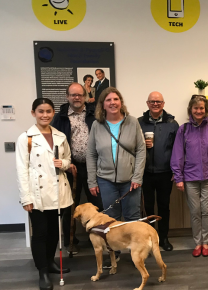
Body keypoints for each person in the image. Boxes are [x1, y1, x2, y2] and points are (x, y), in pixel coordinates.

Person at [16, 98, 72, 290]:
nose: (45, 115)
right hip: (38, 195)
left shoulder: (60, 136)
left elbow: (68, 160)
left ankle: (50, 262)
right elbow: (22, 170)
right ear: (33, 113)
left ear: (53, 113)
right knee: (40, 233)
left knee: (55, 232)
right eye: (41, 111)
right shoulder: (26, 138)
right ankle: (42, 271)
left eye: (48, 111)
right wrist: (26, 197)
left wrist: (63, 164)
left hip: (60, 192)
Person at [86, 87, 146, 267]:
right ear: (102, 105)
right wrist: (92, 180)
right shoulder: (97, 125)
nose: (112, 102)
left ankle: (138, 252)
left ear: (121, 102)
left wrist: (137, 177)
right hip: (105, 180)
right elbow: (91, 154)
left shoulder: (133, 122)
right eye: (108, 100)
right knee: (109, 219)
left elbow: (141, 151)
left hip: (130, 180)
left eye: (116, 99)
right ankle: (114, 254)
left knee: (132, 217)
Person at [171, 95, 208, 257]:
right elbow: (177, 155)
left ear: (206, 110)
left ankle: (206, 242)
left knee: (206, 211)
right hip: (190, 178)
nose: (199, 111)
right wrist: (179, 177)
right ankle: (197, 242)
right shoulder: (183, 129)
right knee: (195, 211)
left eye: (201, 108)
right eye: (196, 108)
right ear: (191, 110)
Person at [52, 82, 102, 255]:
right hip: (70, 168)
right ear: (67, 97)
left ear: (85, 96)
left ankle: (98, 237)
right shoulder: (60, 117)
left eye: (80, 94)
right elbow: (55, 143)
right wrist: (65, 163)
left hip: (93, 167)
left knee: (96, 203)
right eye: (73, 95)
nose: (77, 97)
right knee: (70, 206)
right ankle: (70, 241)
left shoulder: (94, 113)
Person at [138, 91, 179, 251]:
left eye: (158, 102)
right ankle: (149, 239)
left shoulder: (172, 123)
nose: (155, 104)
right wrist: (142, 145)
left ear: (163, 104)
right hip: (145, 173)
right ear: (147, 103)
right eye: (152, 102)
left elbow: (178, 149)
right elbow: (132, 146)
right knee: (147, 208)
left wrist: (176, 170)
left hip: (165, 173)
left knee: (164, 206)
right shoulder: (139, 123)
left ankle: (163, 238)